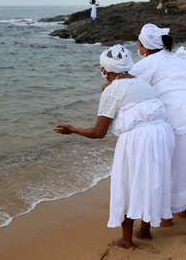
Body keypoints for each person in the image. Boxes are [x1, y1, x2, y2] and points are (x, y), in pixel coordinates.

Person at [54, 44, 174, 251]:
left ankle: (126, 241)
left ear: (105, 69)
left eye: (102, 68)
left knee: (126, 186)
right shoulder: (142, 82)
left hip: (138, 140)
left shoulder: (113, 90)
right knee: (149, 181)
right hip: (162, 134)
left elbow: (98, 133)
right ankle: (145, 231)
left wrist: (72, 130)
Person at [130, 24, 186, 223]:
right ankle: (183, 211)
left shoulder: (147, 64)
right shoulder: (177, 59)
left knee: (173, 169)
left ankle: (168, 217)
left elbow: (126, 85)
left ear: (143, 47)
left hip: (184, 119)